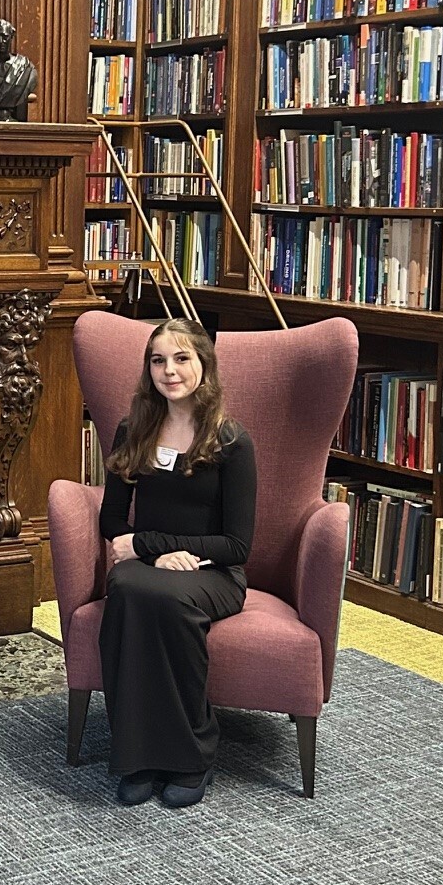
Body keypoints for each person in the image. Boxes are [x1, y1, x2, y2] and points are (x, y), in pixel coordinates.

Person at [97, 317, 256, 810]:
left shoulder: (231, 442)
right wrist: (156, 553)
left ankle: (192, 753)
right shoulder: (133, 430)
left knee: (163, 599)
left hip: (212, 573)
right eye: (158, 360)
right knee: (128, 590)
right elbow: (110, 519)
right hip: (149, 566)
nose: (169, 370)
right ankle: (137, 755)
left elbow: (236, 545)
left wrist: (148, 543)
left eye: (182, 358)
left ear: (204, 364)